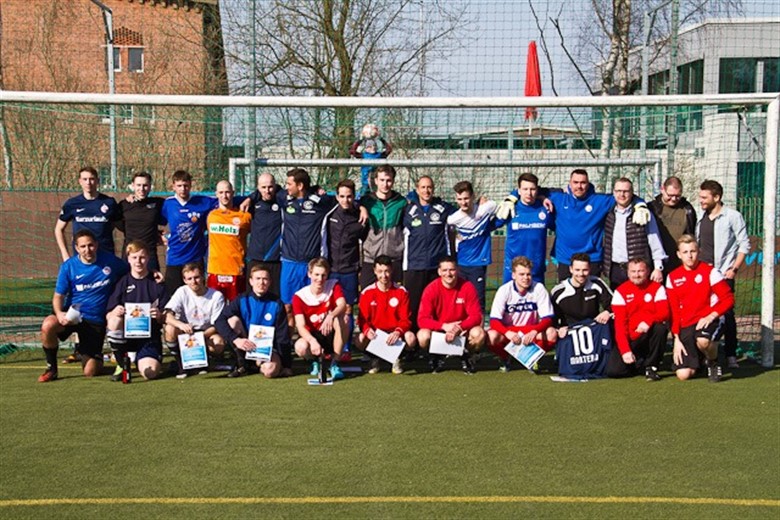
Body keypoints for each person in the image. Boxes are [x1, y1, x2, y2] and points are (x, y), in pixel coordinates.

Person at [498, 169, 650, 281]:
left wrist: (640, 205)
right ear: (570, 184)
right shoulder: (558, 198)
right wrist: (511, 198)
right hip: (565, 259)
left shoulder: (600, 201)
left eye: (583, 183)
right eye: (575, 182)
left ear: (588, 184)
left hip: (591, 259)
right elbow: (528, 188)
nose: (579, 186)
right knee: (565, 300)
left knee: (591, 300)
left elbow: (624, 196)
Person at [38, 229, 128, 382]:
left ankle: (96, 357)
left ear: (96, 245)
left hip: (95, 320)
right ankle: (51, 369)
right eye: (83, 246)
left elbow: (132, 270)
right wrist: (59, 313)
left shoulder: (110, 261)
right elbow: (58, 296)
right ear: (77, 248)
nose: (88, 250)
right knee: (48, 325)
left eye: (90, 245)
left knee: (90, 371)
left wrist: (152, 272)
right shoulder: (69, 266)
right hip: (72, 316)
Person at [666, 235, 734, 383]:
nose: (689, 256)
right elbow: (674, 310)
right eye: (685, 252)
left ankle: (713, 362)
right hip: (687, 325)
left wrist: (711, 316)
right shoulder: (672, 277)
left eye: (693, 251)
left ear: (699, 252)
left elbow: (728, 299)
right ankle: (701, 361)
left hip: (709, 319)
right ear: (679, 254)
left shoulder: (710, 272)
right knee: (683, 375)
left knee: (703, 340)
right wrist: (676, 338)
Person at [696, 179, 749, 369]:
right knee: (703, 311)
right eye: (700, 197)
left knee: (726, 314)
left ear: (716, 197)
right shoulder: (701, 217)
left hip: (723, 274)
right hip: (704, 274)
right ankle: (704, 354)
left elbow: (744, 245)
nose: (701, 200)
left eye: (704, 197)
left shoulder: (732, 216)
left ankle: (731, 354)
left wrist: (734, 269)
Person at [105, 241, 169, 381]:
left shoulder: (157, 283)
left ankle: (139, 358)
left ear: (148, 258)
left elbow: (166, 315)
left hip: (149, 338)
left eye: (142, 257)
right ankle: (122, 363)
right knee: (114, 321)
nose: (138, 262)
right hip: (126, 338)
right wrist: (115, 311)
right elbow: (108, 315)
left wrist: (159, 316)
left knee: (150, 373)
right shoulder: (122, 282)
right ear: (128, 259)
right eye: (134, 257)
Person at [215, 263, 292, 379]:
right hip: (245, 344)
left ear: (270, 282)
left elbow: (282, 335)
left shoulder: (276, 303)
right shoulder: (242, 299)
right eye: (258, 279)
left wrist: (286, 365)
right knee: (232, 321)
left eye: (265, 279)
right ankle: (241, 362)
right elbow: (219, 320)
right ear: (251, 281)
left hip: (266, 348)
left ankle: (257, 365)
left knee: (270, 371)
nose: (261, 282)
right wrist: (235, 339)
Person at [322, 179, 368, 359]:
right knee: (329, 309)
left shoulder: (360, 216)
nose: (345, 200)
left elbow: (365, 240)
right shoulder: (330, 211)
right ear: (336, 196)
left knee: (348, 310)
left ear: (354, 196)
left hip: (350, 270)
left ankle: (346, 349)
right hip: (331, 269)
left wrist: (362, 207)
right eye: (342, 196)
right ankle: (330, 347)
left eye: (349, 196)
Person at [402, 176, 455, 331]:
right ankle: (413, 339)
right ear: (417, 190)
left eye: (429, 187)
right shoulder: (408, 210)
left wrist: (480, 202)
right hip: (414, 265)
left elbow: (465, 209)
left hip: (436, 267)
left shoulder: (443, 208)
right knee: (414, 305)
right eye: (423, 187)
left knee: (437, 305)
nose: (426, 191)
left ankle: (437, 340)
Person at [487, 256, 557, 372]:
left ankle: (533, 358)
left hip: (530, 330)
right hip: (510, 330)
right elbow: (494, 320)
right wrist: (507, 333)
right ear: (513, 275)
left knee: (552, 333)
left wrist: (535, 330)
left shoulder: (539, 288)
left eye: (528, 274)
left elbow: (548, 318)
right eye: (521, 274)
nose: (525, 278)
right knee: (491, 336)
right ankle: (505, 358)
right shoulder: (504, 290)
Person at [550, 253, 613, 379]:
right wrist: (558, 328)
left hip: (594, 329)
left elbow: (615, 303)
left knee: (615, 321)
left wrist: (607, 311)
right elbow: (550, 318)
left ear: (589, 269)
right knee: (550, 332)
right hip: (570, 332)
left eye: (585, 270)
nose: (581, 274)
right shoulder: (558, 291)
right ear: (571, 269)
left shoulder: (597, 283)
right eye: (577, 270)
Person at [417, 256, 485, 374]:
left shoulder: (467, 287)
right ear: (439, 272)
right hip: (440, 331)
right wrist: (444, 326)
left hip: (461, 331)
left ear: (457, 270)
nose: (448, 274)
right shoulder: (431, 289)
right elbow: (422, 320)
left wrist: (459, 327)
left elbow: (476, 316)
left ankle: (466, 355)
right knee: (423, 336)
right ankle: (436, 356)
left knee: (479, 334)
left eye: (452, 270)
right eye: (444, 270)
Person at [607, 257, 669, 381]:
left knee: (660, 328)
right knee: (614, 371)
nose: (637, 275)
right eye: (633, 271)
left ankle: (651, 366)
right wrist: (625, 350)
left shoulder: (657, 288)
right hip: (631, 337)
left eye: (640, 271)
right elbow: (620, 325)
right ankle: (640, 363)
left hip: (648, 333)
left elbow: (664, 313)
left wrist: (648, 321)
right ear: (628, 273)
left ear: (647, 271)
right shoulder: (620, 292)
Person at [159, 170, 219, 296]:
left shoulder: (202, 202)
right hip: (174, 258)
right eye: (179, 186)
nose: (183, 189)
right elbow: (155, 220)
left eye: (186, 185)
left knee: (197, 295)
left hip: (195, 258)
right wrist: (160, 235)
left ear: (191, 185)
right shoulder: (168, 204)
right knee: (172, 296)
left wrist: (248, 200)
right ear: (173, 186)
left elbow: (225, 200)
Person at [163, 262, 226, 378]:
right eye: (189, 279)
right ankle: (181, 364)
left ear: (203, 277)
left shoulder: (216, 296)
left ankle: (204, 362)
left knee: (218, 343)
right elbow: (167, 315)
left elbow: (217, 325)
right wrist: (180, 325)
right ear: (184, 280)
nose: (193, 282)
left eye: (196, 277)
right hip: (185, 332)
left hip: (206, 332)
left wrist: (199, 338)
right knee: (170, 328)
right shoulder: (182, 291)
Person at [601, 177, 666, 289]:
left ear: (632, 193)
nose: (622, 195)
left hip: (637, 269)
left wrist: (658, 267)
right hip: (615, 269)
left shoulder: (643, 213)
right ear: (614, 192)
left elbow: (654, 240)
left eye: (626, 191)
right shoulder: (608, 213)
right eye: (618, 191)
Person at [357, 256, 417, 374]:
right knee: (360, 339)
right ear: (374, 271)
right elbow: (362, 319)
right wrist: (367, 330)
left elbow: (406, 319)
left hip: (395, 333)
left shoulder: (401, 291)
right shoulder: (367, 292)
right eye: (380, 271)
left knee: (411, 338)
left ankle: (397, 358)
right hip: (376, 334)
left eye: (387, 271)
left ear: (391, 270)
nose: (384, 275)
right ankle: (374, 359)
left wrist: (398, 332)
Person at [292, 258, 348, 380]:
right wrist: (312, 341)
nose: (320, 279)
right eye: (316, 275)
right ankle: (314, 361)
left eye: (323, 275)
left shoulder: (333, 285)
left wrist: (331, 315)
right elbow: (300, 326)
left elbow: (342, 305)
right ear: (309, 274)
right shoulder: (299, 296)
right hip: (313, 336)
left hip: (330, 334)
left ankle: (334, 363)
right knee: (300, 346)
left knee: (343, 319)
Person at [446, 180, 497, 312]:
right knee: (460, 299)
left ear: (473, 197)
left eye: (466, 198)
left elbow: (497, 209)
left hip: (478, 263)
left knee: (478, 300)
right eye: (460, 199)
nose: (463, 202)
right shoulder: (453, 219)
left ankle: (479, 325)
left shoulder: (486, 208)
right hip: (461, 263)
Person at [495, 172, 553, 285]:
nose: (529, 193)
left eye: (532, 189)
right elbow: (489, 226)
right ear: (519, 191)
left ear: (537, 190)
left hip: (536, 270)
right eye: (525, 189)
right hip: (512, 270)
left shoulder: (545, 209)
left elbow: (560, 228)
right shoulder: (510, 209)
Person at [55, 166, 122, 262]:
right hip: (82, 258)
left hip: (106, 255)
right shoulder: (72, 204)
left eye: (91, 179)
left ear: (97, 181)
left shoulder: (109, 202)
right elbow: (58, 229)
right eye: (85, 179)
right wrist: (65, 255)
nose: (88, 182)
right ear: (80, 181)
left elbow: (118, 224)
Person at [360, 165, 407, 288]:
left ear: (393, 181)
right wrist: (361, 207)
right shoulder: (366, 201)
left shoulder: (401, 202)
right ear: (376, 181)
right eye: (382, 180)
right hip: (371, 258)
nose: (385, 184)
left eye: (388, 180)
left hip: (393, 258)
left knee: (395, 295)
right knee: (366, 294)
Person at [206, 180, 252, 302]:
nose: (224, 196)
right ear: (216, 194)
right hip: (215, 270)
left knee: (236, 307)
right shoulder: (211, 216)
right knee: (214, 307)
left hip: (236, 270)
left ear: (233, 193)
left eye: (227, 192)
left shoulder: (244, 216)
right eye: (221, 192)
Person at [116, 171, 165, 271]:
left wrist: (159, 233)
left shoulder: (158, 203)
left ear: (150, 187)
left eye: (145, 185)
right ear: (132, 186)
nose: (142, 189)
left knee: (152, 280)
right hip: (130, 253)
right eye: (138, 185)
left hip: (149, 254)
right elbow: (117, 223)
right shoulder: (124, 205)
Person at [648, 176, 696, 274]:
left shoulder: (688, 209)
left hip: (679, 261)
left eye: (678, 196)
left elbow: (692, 233)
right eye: (670, 195)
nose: (674, 199)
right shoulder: (652, 208)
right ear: (662, 189)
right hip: (656, 262)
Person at [246, 172, 283, 290]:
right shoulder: (252, 203)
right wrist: (251, 197)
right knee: (253, 294)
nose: (267, 191)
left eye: (270, 187)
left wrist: (316, 188)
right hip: (255, 259)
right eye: (263, 187)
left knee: (275, 295)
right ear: (258, 187)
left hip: (275, 259)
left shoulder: (282, 201)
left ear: (275, 186)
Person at [349, 123, 392, 195]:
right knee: (363, 197)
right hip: (365, 183)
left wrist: (381, 139)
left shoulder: (379, 155)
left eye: (374, 146)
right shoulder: (364, 156)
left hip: (376, 183)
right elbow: (352, 151)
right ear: (366, 148)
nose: (373, 147)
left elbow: (389, 150)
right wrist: (360, 140)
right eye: (370, 146)